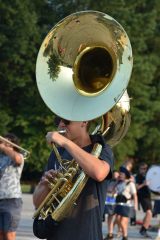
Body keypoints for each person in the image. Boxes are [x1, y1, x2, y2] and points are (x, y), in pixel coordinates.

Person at [33, 117, 114, 240]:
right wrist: (45, 186)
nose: (61, 125)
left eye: (66, 121)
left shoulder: (101, 149)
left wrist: (65, 142)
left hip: (86, 234)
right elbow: (37, 203)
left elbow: (99, 172)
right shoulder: (57, 152)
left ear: (84, 121)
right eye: (57, 121)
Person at [0, 133, 24, 240]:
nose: (5, 144)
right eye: (3, 141)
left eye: (8, 142)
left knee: (9, 234)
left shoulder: (18, 156)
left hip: (12, 200)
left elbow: (17, 159)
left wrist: (4, 147)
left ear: (14, 145)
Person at [114, 166, 138, 240]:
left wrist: (136, 205)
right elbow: (113, 191)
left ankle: (125, 236)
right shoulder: (119, 183)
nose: (120, 175)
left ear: (125, 175)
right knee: (117, 219)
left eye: (121, 174)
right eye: (120, 174)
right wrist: (116, 181)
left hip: (127, 205)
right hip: (119, 204)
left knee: (123, 221)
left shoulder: (130, 184)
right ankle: (122, 232)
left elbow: (135, 195)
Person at [135, 162, 152, 237]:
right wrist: (144, 184)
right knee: (149, 213)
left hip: (148, 196)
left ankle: (143, 229)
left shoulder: (148, 176)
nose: (144, 170)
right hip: (142, 196)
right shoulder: (138, 177)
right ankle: (144, 229)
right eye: (143, 168)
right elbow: (136, 187)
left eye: (145, 168)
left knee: (148, 213)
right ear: (139, 169)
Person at [103, 170, 119, 240]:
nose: (115, 176)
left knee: (118, 218)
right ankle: (110, 233)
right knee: (110, 217)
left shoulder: (121, 182)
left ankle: (119, 231)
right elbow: (107, 189)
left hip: (118, 201)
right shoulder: (110, 181)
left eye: (117, 175)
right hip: (109, 201)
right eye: (114, 175)